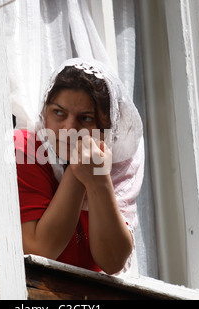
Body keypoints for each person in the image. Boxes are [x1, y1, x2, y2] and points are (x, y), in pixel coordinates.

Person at [14, 58, 144, 275]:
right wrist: (78, 172)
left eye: (85, 118)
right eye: (58, 113)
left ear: (108, 129)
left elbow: (111, 261)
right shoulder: (26, 147)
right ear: (44, 113)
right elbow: (40, 250)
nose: (69, 129)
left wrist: (98, 181)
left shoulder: (120, 168)